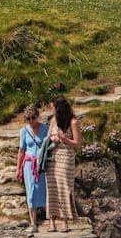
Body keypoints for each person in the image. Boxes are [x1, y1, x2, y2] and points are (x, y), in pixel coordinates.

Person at [46, 96, 81, 233]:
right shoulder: (53, 120)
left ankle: (64, 221)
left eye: (52, 106)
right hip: (52, 157)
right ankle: (52, 221)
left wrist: (64, 138)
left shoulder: (73, 122)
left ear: (58, 108)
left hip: (66, 157)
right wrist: (53, 138)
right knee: (52, 187)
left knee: (64, 187)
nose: (51, 109)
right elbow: (48, 137)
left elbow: (77, 144)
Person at [16, 105, 49, 234]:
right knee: (31, 192)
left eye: (33, 118)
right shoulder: (24, 131)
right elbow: (21, 150)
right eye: (28, 118)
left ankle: (51, 220)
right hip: (29, 165)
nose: (31, 120)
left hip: (42, 165)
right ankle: (33, 223)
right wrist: (18, 169)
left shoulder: (45, 129)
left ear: (38, 116)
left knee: (45, 191)